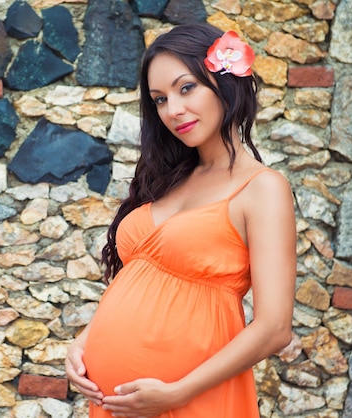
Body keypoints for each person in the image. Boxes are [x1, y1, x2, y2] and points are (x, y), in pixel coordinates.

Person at [65, 23, 297, 417]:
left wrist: (178, 392)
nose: (173, 110)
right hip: (116, 404)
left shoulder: (263, 189)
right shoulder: (169, 178)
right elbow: (141, 279)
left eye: (186, 87)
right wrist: (84, 342)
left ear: (225, 84)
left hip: (189, 402)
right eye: (159, 99)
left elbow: (275, 328)